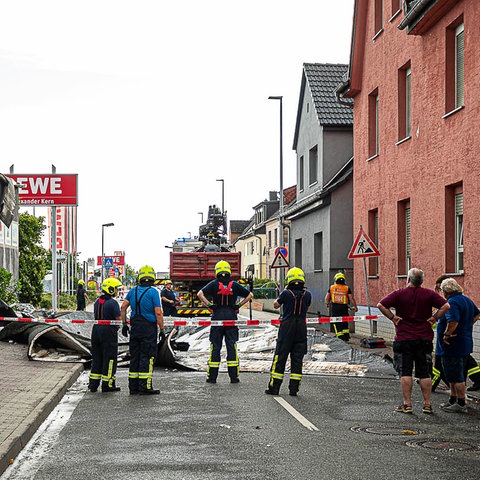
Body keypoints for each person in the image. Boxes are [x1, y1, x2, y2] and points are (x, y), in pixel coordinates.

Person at [377, 268, 450, 414]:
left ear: (408, 279)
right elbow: (446, 306)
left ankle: (407, 404)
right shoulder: (429, 294)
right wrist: (435, 317)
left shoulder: (399, 294)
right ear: (422, 281)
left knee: (406, 373)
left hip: (404, 338)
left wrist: (393, 317)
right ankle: (427, 404)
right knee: (424, 373)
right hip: (424, 338)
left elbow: (381, 305)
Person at [197, 260, 253, 384]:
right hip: (231, 318)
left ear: (217, 271)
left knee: (215, 347)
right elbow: (250, 295)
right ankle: (234, 377)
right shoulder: (235, 284)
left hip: (217, 318)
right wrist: (238, 305)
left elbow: (200, 294)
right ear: (228, 271)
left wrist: (210, 305)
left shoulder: (213, 284)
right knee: (231, 346)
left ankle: (212, 377)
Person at [265, 267, 312, 396]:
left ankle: (274, 387)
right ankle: (294, 389)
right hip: (301, 327)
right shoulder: (307, 294)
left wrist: (283, 291)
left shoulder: (286, 293)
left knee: (280, 357)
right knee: (297, 359)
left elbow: (275, 305)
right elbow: (307, 307)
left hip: (287, 327)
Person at [437, 278, 480, 413]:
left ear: (445, 291)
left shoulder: (452, 303)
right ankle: (453, 398)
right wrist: (467, 326)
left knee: (456, 375)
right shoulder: (466, 299)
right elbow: (477, 313)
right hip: (464, 342)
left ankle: (461, 403)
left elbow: (453, 321)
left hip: (453, 345)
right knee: (455, 373)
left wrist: (447, 335)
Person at [121, 265, 165, 395]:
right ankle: (145, 387)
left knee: (135, 356)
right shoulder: (153, 292)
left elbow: (123, 307)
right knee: (147, 356)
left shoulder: (132, 291)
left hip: (135, 327)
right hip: (148, 328)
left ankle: (133, 387)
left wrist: (124, 324)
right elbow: (158, 313)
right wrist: (162, 329)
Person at [88, 277, 123, 393]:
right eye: (116, 289)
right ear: (111, 289)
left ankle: (93, 385)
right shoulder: (113, 303)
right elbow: (118, 319)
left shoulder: (98, 301)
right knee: (110, 358)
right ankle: (107, 384)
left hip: (96, 330)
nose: (117, 291)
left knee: (97, 357)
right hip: (108, 332)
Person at [325, 272, 358, 342]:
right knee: (344, 321)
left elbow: (327, 297)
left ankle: (340, 337)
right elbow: (351, 298)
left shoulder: (332, 287)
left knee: (337, 321)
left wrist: (327, 303)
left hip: (335, 307)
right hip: (344, 307)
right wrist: (355, 306)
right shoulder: (346, 288)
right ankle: (346, 336)